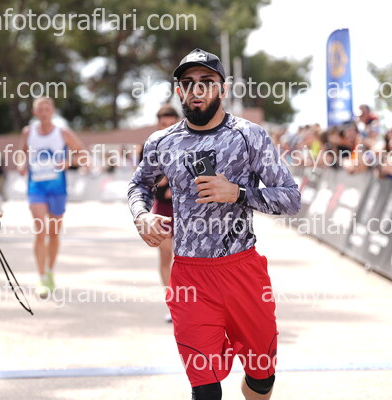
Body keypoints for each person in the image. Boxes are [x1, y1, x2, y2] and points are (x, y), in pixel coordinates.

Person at [128, 48, 301, 400]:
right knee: (205, 390)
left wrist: (237, 193)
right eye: (188, 83)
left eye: (206, 82)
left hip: (242, 271)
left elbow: (291, 198)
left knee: (261, 378)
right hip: (190, 276)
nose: (197, 89)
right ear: (179, 91)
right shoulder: (162, 141)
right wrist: (141, 215)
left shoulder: (250, 136)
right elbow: (138, 185)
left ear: (223, 88)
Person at [18, 97, 86, 297]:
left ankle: (50, 271)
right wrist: (22, 164)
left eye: (47, 109)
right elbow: (22, 152)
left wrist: (67, 162)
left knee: (54, 234)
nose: (44, 112)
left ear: (53, 112)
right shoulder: (28, 132)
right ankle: (41, 277)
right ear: (35, 113)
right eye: (40, 109)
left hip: (57, 188)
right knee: (40, 231)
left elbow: (82, 154)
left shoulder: (62, 132)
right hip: (36, 187)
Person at [151, 104, 180, 323]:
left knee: (186, 258)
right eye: (164, 124)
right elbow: (147, 179)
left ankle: (188, 302)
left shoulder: (188, 144)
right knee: (165, 255)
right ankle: (172, 304)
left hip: (185, 209)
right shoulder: (151, 147)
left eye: (172, 124)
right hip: (161, 208)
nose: (168, 128)